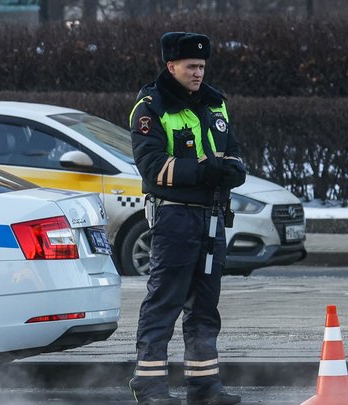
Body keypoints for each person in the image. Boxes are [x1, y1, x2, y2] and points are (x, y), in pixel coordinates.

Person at [127, 32, 246, 405]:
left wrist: (231, 171)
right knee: (165, 302)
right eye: (191, 67)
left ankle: (205, 386)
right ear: (171, 66)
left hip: (212, 219)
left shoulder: (215, 103)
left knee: (205, 307)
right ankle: (149, 386)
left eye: (202, 66)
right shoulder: (151, 107)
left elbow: (236, 157)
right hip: (175, 218)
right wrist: (208, 170)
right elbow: (153, 168)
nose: (198, 73)